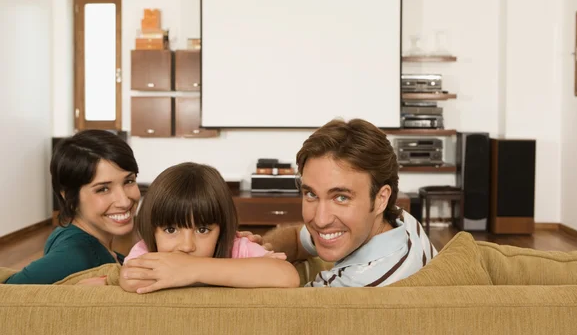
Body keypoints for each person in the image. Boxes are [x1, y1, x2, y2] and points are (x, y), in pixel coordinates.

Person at [262, 118, 437, 287]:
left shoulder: (349, 287)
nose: (321, 220)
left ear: (380, 199)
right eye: (311, 194)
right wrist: (257, 250)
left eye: (341, 197)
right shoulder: (402, 223)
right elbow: (296, 238)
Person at [120, 162, 299, 293]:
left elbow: (287, 276)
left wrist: (193, 268)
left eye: (202, 230)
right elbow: (129, 280)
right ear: (152, 230)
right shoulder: (147, 251)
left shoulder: (237, 248)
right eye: (171, 230)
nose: (187, 246)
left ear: (222, 230)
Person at [4, 130, 141, 284]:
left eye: (129, 181)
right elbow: (9, 292)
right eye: (103, 189)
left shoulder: (67, 233)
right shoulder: (75, 255)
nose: (124, 201)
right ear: (69, 196)